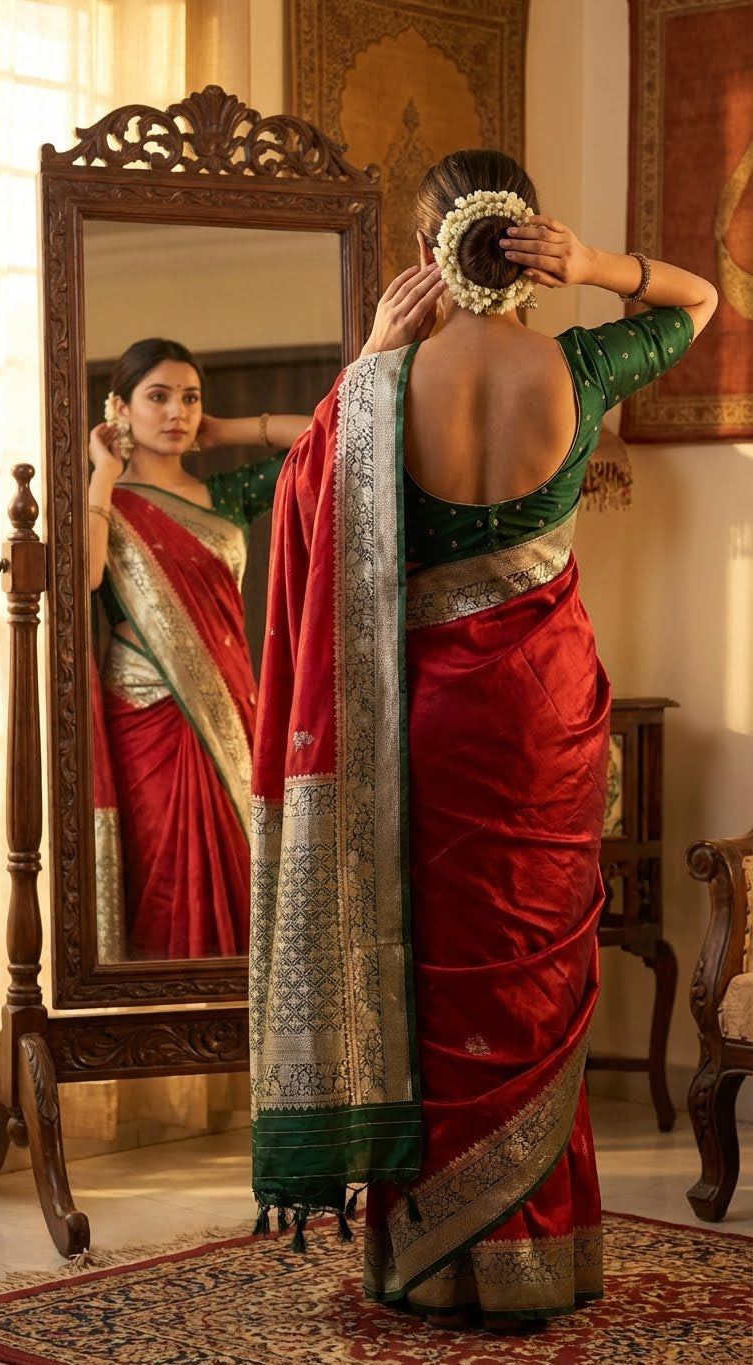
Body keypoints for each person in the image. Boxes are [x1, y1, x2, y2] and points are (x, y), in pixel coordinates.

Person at [248, 150, 717, 1328]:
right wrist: (598, 265)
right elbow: (699, 302)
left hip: (433, 721)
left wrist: (368, 355)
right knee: (537, 969)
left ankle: (434, 1261)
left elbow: (297, 500)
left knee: (430, 967)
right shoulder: (582, 365)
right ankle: (531, 1256)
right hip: (548, 718)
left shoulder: (377, 396)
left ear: (424, 255)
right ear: (529, 244)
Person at [88, 337, 309, 961]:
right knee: (162, 883)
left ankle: (241, 1048)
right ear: (121, 408)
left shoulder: (229, 496)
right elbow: (85, 576)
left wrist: (227, 429)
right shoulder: (109, 502)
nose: (176, 411)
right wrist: (103, 476)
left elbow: (334, 436)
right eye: (157, 397)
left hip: (234, 714)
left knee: (241, 870)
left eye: (189, 397)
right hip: (145, 720)